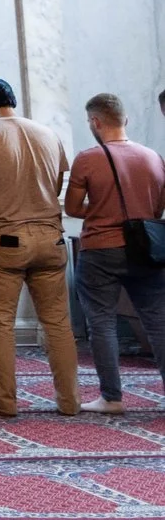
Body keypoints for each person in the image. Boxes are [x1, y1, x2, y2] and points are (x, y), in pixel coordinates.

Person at [0, 75, 80, 417]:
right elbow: (55, 184)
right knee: (57, 324)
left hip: (5, 240)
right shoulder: (48, 134)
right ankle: (69, 402)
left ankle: (4, 402)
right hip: (50, 236)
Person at [64, 92, 165, 415]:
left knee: (101, 323)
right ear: (126, 120)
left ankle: (111, 397)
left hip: (100, 250)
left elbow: (72, 207)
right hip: (146, 249)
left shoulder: (88, 158)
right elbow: (157, 208)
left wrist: (103, 211)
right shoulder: (152, 157)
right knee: (159, 323)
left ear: (95, 122)